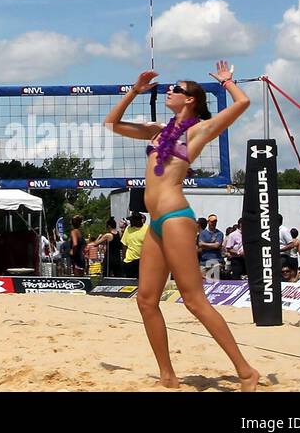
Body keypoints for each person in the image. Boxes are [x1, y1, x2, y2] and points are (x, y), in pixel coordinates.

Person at [104, 61, 260, 391]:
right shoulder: (159, 130)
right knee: (146, 300)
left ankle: (246, 371)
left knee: (193, 300)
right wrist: (135, 89)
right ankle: (168, 375)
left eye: (176, 89)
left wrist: (227, 82)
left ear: (190, 99)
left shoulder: (197, 130)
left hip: (176, 217)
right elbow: (112, 123)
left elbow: (243, 103)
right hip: (156, 221)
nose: (169, 92)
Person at [197, 215, 224, 281]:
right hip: (204, 261)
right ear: (208, 222)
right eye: (212, 222)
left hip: (216, 260)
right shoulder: (203, 233)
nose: (213, 223)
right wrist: (212, 245)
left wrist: (205, 245)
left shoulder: (219, 233)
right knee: (201, 280)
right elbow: (200, 244)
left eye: (215, 222)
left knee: (213, 280)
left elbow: (217, 245)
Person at [121, 212, 147, 279]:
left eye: (132, 220)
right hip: (129, 261)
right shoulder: (128, 229)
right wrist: (123, 259)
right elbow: (124, 245)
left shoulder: (147, 229)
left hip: (142, 261)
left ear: (138, 220)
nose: (130, 222)